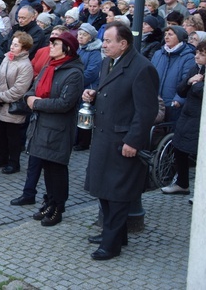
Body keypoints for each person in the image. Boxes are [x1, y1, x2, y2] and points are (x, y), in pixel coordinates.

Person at [83, 21, 159, 260]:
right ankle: (114, 233)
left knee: (117, 194)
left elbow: (145, 111)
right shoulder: (109, 62)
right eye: (104, 40)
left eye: (108, 41)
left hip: (123, 141)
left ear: (123, 44)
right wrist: (94, 96)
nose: (103, 45)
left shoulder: (142, 68)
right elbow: (112, 93)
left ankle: (111, 245)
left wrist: (133, 142)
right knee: (103, 190)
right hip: (105, 138)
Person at [24, 32, 84, 227]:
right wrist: (31, 98)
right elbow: (34, 87)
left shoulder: (73, 73)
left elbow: (65, 103)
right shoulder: (49, 66)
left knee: (57, 168)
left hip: (59, 128)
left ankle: (58, 206)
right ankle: (49, 200)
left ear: (67, 48)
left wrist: (37, 103)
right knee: (46, 167)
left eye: (55, 44)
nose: (50, 46)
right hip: (42, 124)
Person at [161, 40, 205, 195]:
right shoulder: (195, 68)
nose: (197, 57)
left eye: (202, 54)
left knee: (201, 156)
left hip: (200, 118)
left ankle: (201, 194)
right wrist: (189, 81)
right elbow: (181, 90)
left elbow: (200, 92)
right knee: (179, 148)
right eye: (197, 53)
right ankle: (182, 183)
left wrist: (197, 84)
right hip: (188, 115)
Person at [0, 31, 34, 174]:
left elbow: (19, 89)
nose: (12, 47)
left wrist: (0, 97)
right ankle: (1, 158)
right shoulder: (7, 58)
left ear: (24, 48)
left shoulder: (26, 66)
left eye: (16, 45)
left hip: (12, 106)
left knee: (13, 137)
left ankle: (14, 163)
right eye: (12, 43)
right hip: (0, 103)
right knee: (0, 133)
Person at [151, 25, 195, 123]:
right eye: (165, 34)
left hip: (174, 106)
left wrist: (178, 100)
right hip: (156, 104)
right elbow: (150, 76)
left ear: (179, 37)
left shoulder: (188, 57)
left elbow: (186, 81)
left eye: (170, 34)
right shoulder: (158, 54)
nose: (166, 37)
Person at [74, 23, 103, 151]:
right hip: (76, 85)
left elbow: (92, 72)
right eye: (79, 34)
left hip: (87, 87)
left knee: (85, 114)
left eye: (84, 35)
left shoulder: (94, 52)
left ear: (90, 37)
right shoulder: (77, 48)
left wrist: (76, 81)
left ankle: (83, 142)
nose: (80, 37)